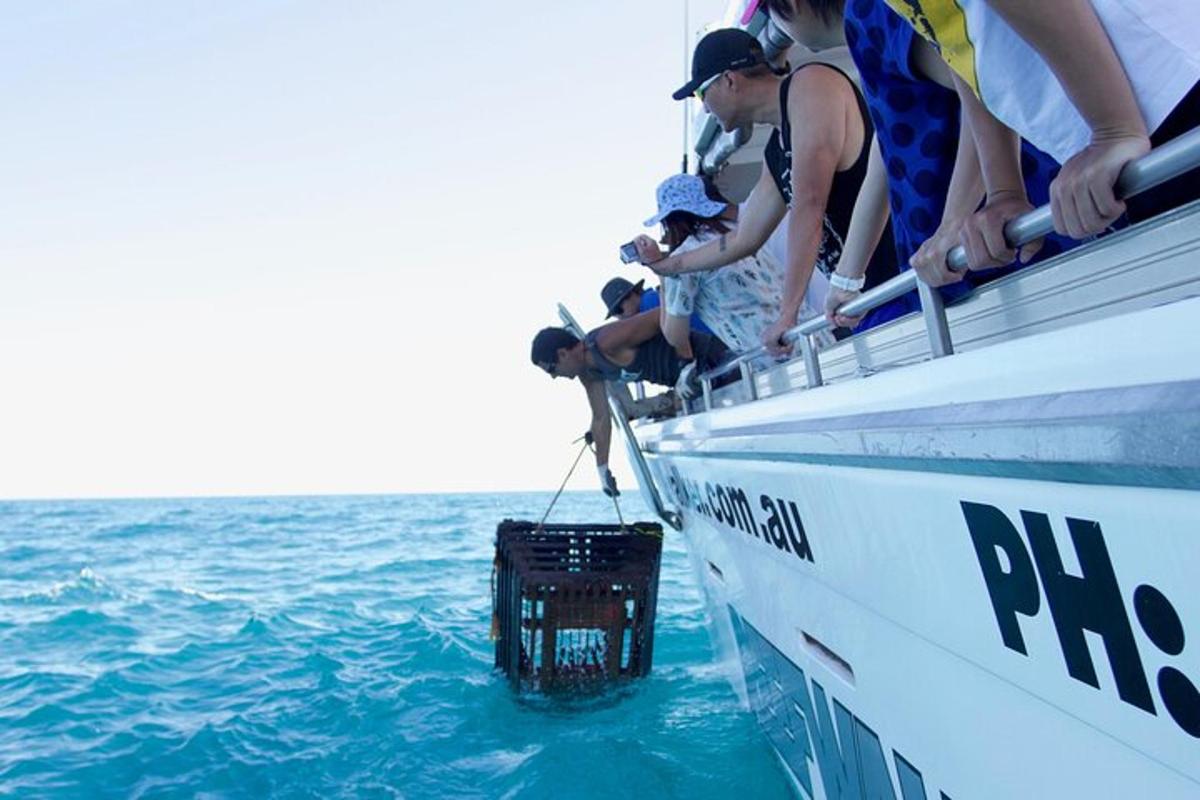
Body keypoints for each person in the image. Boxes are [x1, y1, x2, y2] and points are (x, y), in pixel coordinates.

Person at [754, 0, 1071, 321]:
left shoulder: (876, 13)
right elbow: (885, 155)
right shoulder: (866, 25)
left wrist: (954, 221)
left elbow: (980, 82)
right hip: (973, 257)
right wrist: (847, 276)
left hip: (1004, 248)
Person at [881, 0, 1200, 271]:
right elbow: (959, 39)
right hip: (1137, 119)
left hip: (1164, 87)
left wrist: (1114, 127)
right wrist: (1003, 190)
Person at [636, 27, 899, 355]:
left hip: (908, 281)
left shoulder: (810, 84)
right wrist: (665, 265)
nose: (705, 109)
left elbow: (809, 202)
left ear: (729, 80)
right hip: (869, 301)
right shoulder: (776, 149)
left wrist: (786, 315)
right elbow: (743, 238)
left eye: (703, 95)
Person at [530, 315, 728, 496]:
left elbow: (662, 316)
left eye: (551, 369)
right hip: (698, 385)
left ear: (563, 354)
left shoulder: (606, 341)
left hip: (714, 359)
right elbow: (600, 418)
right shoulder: (590, 373)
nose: (554, 376)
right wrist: (602, 470)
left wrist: (686, 363)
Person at [640, 173, 815, 354]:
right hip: (815, 333)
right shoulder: (740, 231)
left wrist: (661, 273)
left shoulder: (683, 261)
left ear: (669, 220)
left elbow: (675, 337)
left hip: (779, 355)